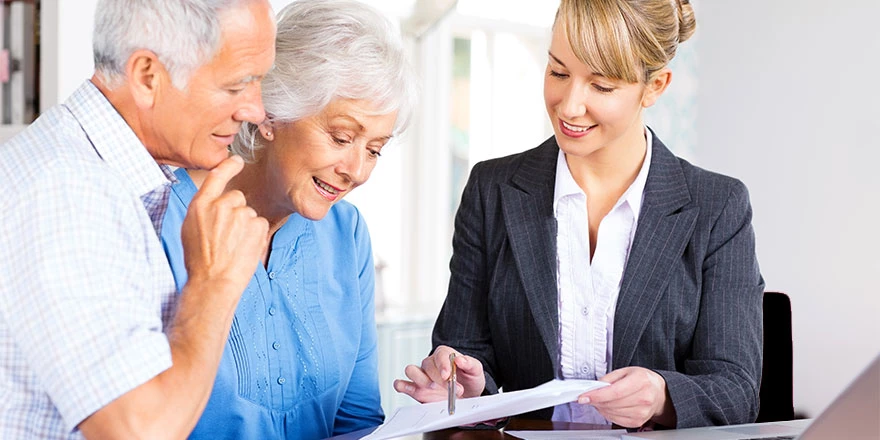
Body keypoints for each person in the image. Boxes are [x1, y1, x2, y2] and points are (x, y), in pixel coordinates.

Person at [394, 0, 764, 430]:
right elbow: (464, 350)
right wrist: (464, 386)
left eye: (601, 86)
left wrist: (662, 397)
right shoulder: (491, 190)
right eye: (558, 72)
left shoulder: (718, 207)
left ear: (655, 86)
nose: (569, 106)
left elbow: (736, 389)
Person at [0, 0, 275, 438]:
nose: (255, 110)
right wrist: (215, 283)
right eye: (237, 85)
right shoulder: (68, 192)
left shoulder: (98, 177)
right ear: (147, 76)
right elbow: (138, 430)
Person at [159, 0, 416, 438]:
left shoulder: (346, 234)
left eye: (374, 149)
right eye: (341, 137)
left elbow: (356, 422)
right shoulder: (159, 221)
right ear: (272, 114)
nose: (356, 171)